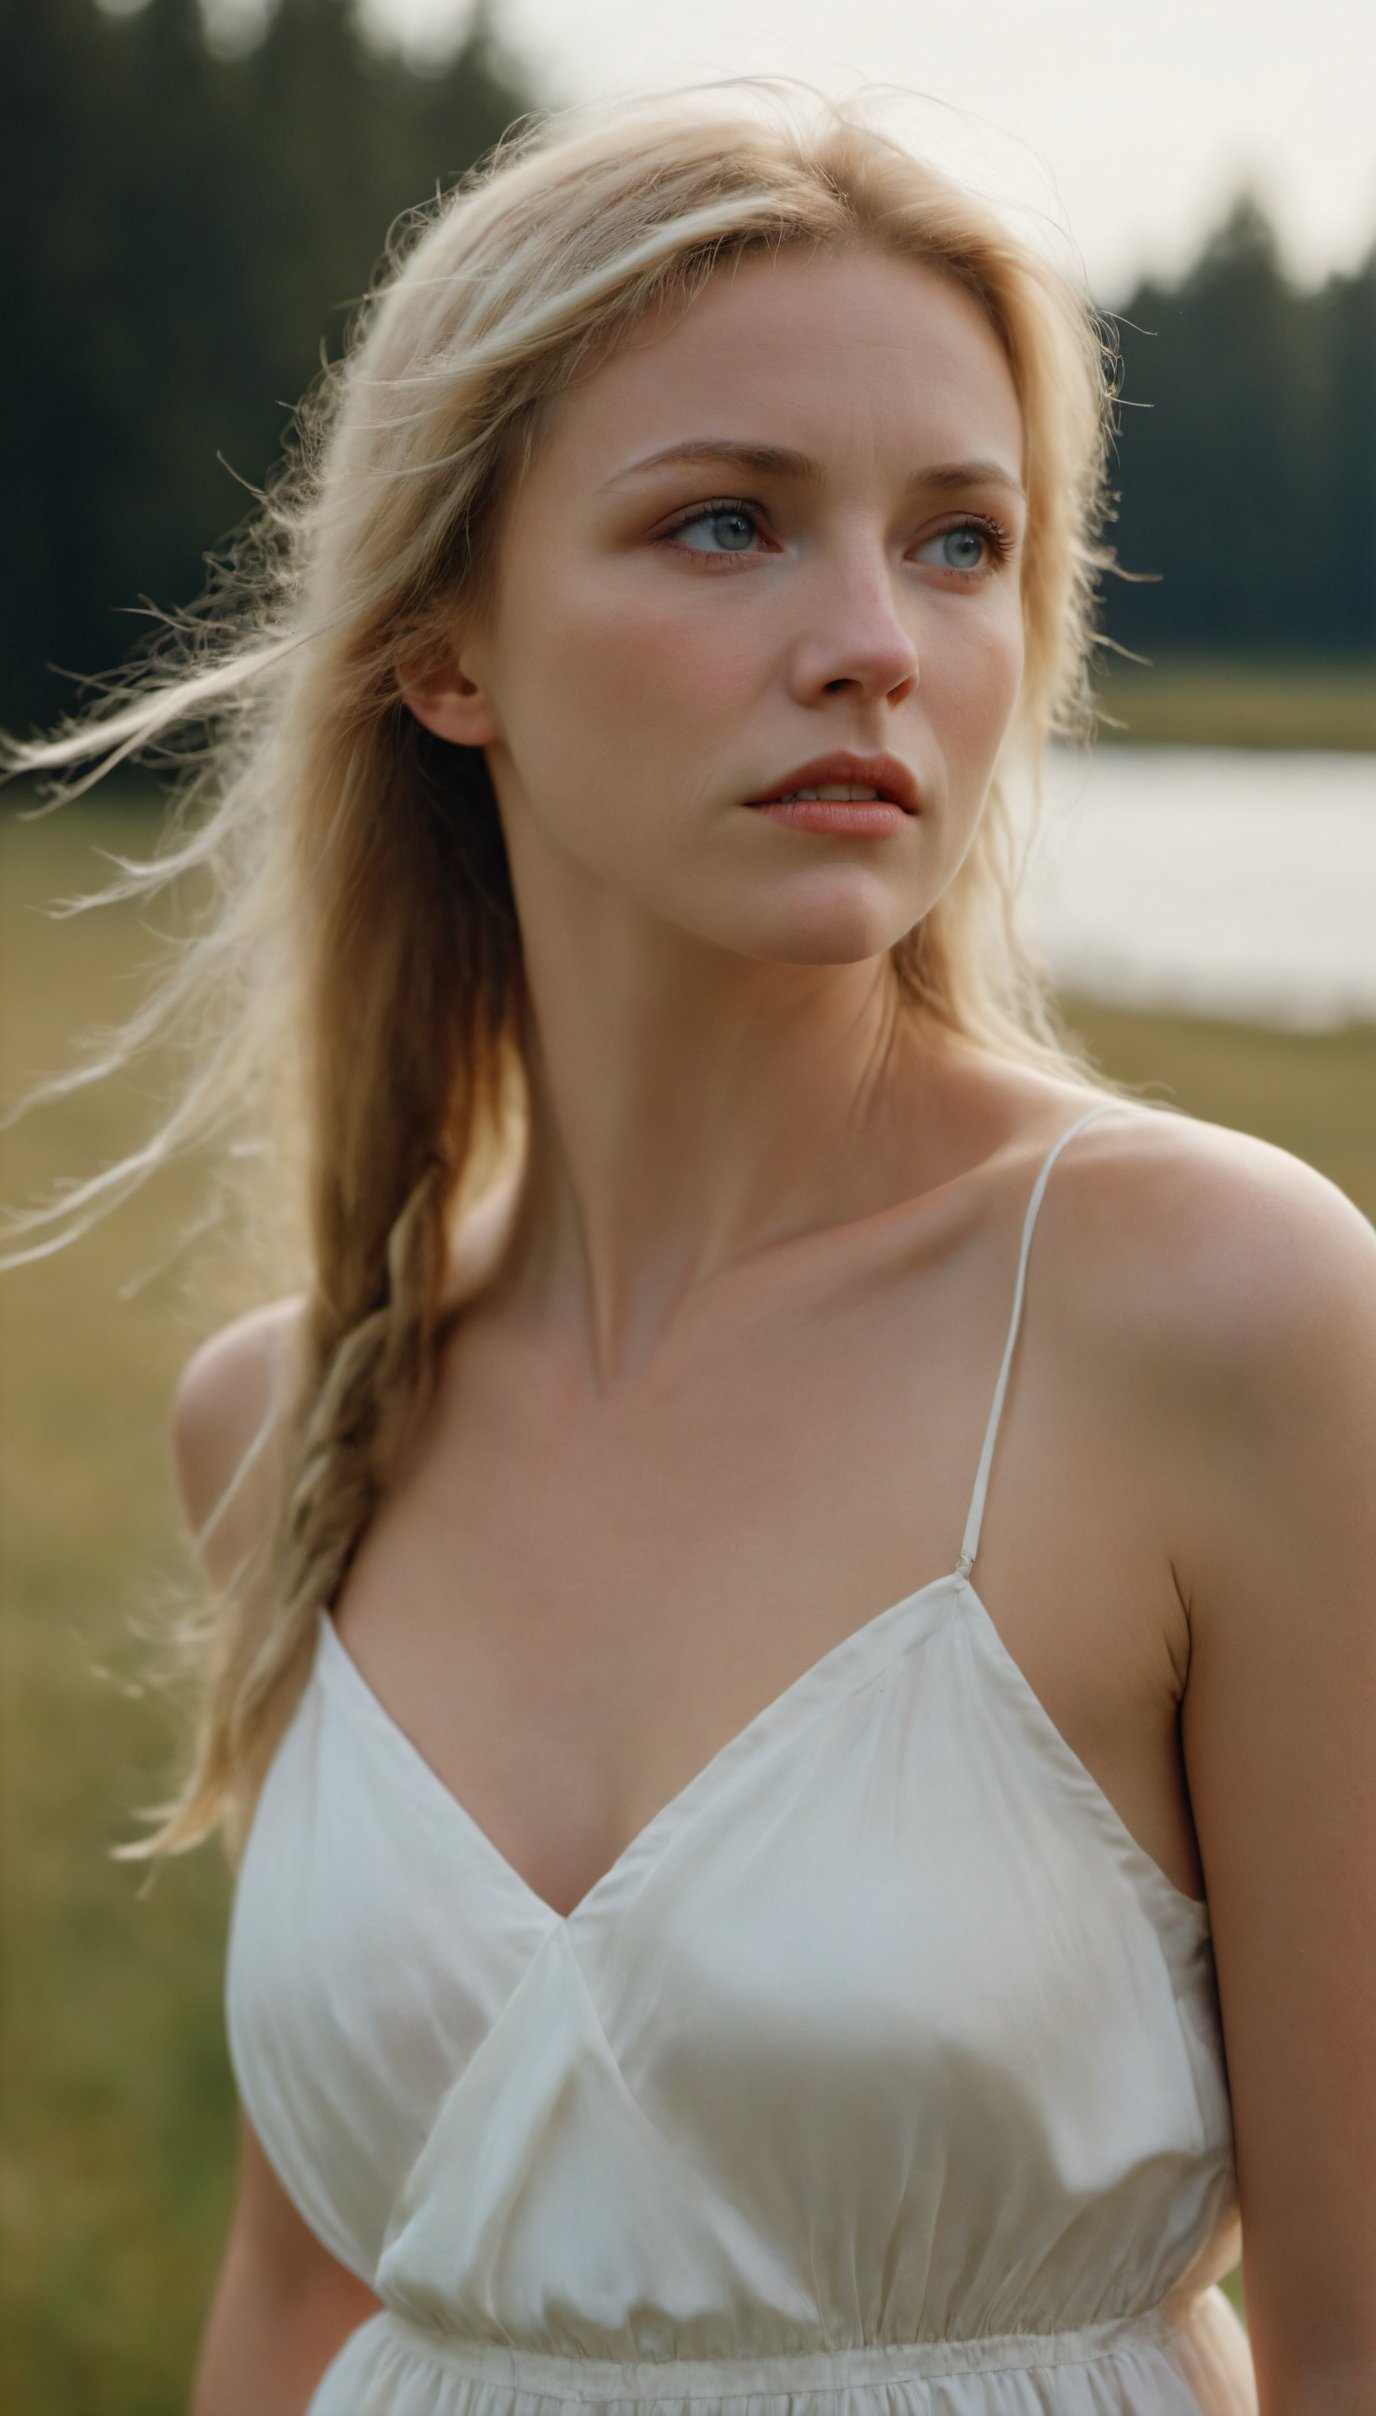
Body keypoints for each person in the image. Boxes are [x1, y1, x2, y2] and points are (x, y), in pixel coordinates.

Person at [4, 78, 1374, 2416]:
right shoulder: (295, 1413)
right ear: (446, 649)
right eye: (728, 522)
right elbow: (310, 2293)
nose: (872, 641)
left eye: (960, 544)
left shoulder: (1218, 1314)